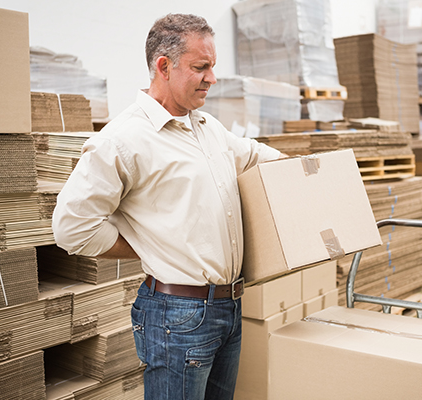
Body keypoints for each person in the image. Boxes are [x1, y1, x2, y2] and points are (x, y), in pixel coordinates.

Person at [52, 13, 283, 400]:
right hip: (177, 316)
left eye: (212, 67)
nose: (212, 78)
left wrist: (321, 176)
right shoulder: (124, 140)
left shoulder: (207, 127)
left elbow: (258, 157)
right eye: (201, 67)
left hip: (228, 308)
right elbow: (72, 227)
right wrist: (144, 247)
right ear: (164, 66)